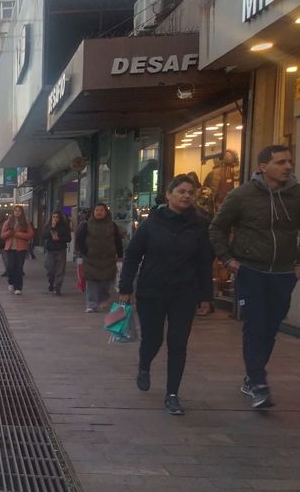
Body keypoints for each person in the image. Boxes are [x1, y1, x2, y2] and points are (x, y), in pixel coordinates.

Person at [209, 145, 300, 409]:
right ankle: (259, 383)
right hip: (251, 270)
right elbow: (217, 228)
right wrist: (228, 260)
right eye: (281, 162)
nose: (287, 166)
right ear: (263, 166)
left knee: (270, 327)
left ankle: (252, 377)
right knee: (255, 324)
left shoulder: (296, 195)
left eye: (289, 162)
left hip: (284, 272)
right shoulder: (242, 195)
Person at [119, 175, 213, 415]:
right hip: (152, 290)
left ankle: (172, 394)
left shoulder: (198, 226)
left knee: (178, 342)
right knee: (153, 339)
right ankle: (144, 364)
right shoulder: (152, 223)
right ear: (169, 195)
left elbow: (204, 262)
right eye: (181, 191)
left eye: (190, 193)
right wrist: (125, 288)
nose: (186, 196)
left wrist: (205, 296)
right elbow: (132, 256)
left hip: (184, 292)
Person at [74, 203, 123, 312]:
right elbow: (79, 241)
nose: (99, 212)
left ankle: (103, 299)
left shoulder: (112, 226)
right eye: (97, 210)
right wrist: (86, 252)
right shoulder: (86, 225)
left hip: (108, 260)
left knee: (105, 283)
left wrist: (120, 255)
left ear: (106, 212)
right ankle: (91, 305)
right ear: (93, 212)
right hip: (91, 260)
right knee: (92, 283)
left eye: (102, 210)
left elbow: (118, 242)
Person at [0, 206, 34, 295]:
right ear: (13, 212)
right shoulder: (8, 222)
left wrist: (17, 234)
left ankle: (18, 288)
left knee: (19, 268)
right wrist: (10, 232)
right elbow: (2, 235)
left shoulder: (25, 222)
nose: (17, 212)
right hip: (10, 248)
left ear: (22, 212)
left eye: (19, 211)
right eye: (16, 211)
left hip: (21, 248)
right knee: (10, 267)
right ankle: (11, 282)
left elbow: (30, 235)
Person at [41, 211, 72, 295]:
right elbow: (44, 236)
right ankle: (51, 282)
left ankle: (57, 287)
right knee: (50, 268)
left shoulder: (64, 226)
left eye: (57, 217)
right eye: (53, 217)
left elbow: (68, 238)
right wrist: (52, 227)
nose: (55, 219)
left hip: (60, 249)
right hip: (50, 249)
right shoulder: (48, 225)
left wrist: (59, 238)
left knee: (60, 270)